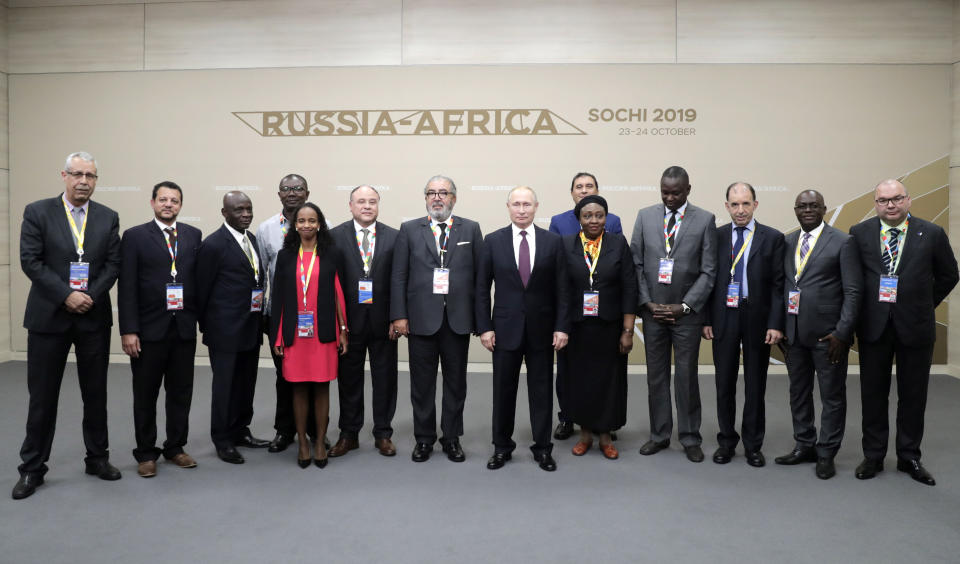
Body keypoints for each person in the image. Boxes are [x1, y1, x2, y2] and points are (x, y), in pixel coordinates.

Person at [13, 151, 122, 500]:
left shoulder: (107, 217)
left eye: (90, 176)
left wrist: (88, 295)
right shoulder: (38, 212)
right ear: (64, 175)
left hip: (92, 317)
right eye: (77, 174)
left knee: (96, 394)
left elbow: (113, 264)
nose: (83, 182)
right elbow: (31, 260)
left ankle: (98, 458)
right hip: (49, 317)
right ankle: (32, 469)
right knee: (42, 398)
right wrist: (66, 295)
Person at [850, 179, 958, 486]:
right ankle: (873, 455)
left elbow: (950, 274)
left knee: (913, 396)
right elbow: (854, 280)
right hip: (874, 327)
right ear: (875, 204)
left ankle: (909, 455)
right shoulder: (861, 233)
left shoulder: (932, 233)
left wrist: (924, 303)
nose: (891, 205)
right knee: (873, 395)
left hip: (915, 327)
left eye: (897, 199)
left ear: (908, 201)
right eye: (883, 200)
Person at [391, 175, 483, 463]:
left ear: (454, 198)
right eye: (432, 193)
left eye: (443, 193)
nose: (437, 198)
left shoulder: (471, 228)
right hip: (420, 321)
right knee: (422, 384)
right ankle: (424, 439)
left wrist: (481, 321)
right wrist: (399, 316)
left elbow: (481, 279)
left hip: (457, 320)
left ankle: (452, 437)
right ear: (426, 198)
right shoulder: (409, 229)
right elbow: (399, 276)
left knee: (456, 384)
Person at [477, 186, 568, 472]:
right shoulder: (492, 241)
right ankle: (501, 447)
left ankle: (543, 449)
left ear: (536, 207)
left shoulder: (553, 242)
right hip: (504, 331)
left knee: (541, 392)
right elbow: (480, 289)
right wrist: (484, 327)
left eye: (526, 204)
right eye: (516, 204)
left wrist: (562, 327)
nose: (521, 209)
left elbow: (563, 291)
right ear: (508, 207)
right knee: (503, 392)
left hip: (543, 331)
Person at [631, 165, 716, 463]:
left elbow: (708, 271)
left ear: (688, 190)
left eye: (676, 192)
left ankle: (691, 437)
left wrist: (685, 306)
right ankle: (659, 435)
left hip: (686, 316)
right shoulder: (644, 216)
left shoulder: (705, 220)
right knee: (656, 378)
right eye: (664, 192)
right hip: (653, 313)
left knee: (686, 377)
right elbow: (636, 264)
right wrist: (648, 303)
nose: (669, 197)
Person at [118, 181, 202, 478]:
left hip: (182, 329)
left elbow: (197, 283)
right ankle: (145, 453)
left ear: (181, 205)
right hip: (148, 331)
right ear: (152, 203)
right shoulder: (135, 237)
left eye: (175, 200)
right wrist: (129, 330)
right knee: (145, 394)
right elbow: (126, 286)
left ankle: (176, 447)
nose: (169, 204)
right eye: (163, 199)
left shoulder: (193, 236)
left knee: (181, 392)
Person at [775, 190, 861, 480]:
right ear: (795, 210)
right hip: (794, 335)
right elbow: (782, 287)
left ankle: (826, 453)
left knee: (832, 396)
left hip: (829, 338)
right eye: (802, 206)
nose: (808, 210)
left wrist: (842, 332)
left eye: (814, 205)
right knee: (798, 393)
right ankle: (804, 445)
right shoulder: (786, 242)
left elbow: (852, 291)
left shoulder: (843, 241)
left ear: (824, 208)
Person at [702, 182, 785, 467]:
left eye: (746, 203)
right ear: (726, 206)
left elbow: (778, 286)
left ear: (756, 205)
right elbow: (708, 280)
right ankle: (726, 441)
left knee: (755, 383)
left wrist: (775, 323)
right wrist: (706, 319)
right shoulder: (716, 236)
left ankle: (753, 445)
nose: (740, 210)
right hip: (724, 315)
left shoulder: (772, 238)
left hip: (757, 318)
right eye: (734, 204)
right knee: (723, 382)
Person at [271, 203, 348, 468]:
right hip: (295, 333)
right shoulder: (285, 256)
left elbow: (339, 294)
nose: (306, 225)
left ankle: (319, 441)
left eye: (311, 220)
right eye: (301, 221)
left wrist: (343, 331)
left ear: (319, 224)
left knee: (322, 386)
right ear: (295, 225)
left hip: (323, 333)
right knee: (299, 387)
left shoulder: (330, 253)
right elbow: (279, 299)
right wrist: (279, 336)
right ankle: (302, 442)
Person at [196, 191, 269, 464]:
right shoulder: (213, 245)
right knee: (225, 387)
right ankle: (223, 439)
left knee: (245, 384)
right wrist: (209, 328)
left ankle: (241, 431)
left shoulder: (251, 240)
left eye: (249, 209)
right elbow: (202, 291)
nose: (246, 214)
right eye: (239, 210)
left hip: (250, 327)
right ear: (225, 213)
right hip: (224, 331)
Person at [548, 171, 622, 440]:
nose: (584, 190)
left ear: (598, 190)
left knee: (604, 372)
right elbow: (557, 272)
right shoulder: (559, 223)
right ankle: (568, 418)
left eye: (589, 186)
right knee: (570, 371)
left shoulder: (612, 222)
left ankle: (603, 421)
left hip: (605, 312)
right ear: (572, 193)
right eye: (579, 187)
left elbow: (616, 261)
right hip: (574, 313)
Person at [563, 195, 637, 460]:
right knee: (580, 382)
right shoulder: (566, 245)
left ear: (606, 218)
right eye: (587, 215)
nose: (593, 220)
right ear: (579, 219)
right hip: (577, 328)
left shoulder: (618, 243)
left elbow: (630, 287)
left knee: (610, 383)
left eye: (599, 215)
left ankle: (605, 436)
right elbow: (561, 289)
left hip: (610, 327)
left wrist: (627, 331)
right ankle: (584, 434)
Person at [329, 186, 401, 458]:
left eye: (372, 201)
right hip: (349, 325)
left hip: (384, 324)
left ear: (378, 205)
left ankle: (383, 434)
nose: (367, 206)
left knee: (385, 379)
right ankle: (349, 434)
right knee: (349, 380)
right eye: (361, 202)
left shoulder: (395, 237)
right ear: (350, 206)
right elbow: (331, 286)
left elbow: (399, 281)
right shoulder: (334, 237)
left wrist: (397, 317)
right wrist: (338, 324)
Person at [256, 173, 315, 453]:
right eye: (286, 189)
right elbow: (259, 275)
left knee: (314, 374)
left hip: (313, 314)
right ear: (279, 194)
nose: (292, 193)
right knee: (285, 374)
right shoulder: (266, 229)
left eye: (298, 188)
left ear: (307, 192)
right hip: (279, 314)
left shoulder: (320, 224)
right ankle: (284, 430)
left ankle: (316, 430)